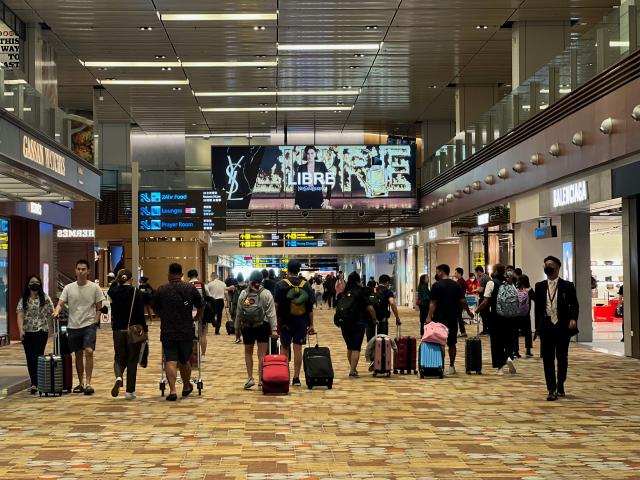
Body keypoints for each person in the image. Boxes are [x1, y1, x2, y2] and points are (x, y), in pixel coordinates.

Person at [53, 259, 105, 395]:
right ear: (75, 271)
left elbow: (100, 307)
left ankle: (89, 383)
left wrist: (96, 320)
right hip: (73, 325)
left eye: (83, 269)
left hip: (89, 324)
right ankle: (81, 383)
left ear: (88, 271)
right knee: (78, 354)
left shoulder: (94, 288)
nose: (81, 271)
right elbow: (60, 303)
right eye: (78, 269)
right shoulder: (68, 288)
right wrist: (56, 311)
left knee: (89, 351)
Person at [154, 263, 203, 401]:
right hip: (185, 329)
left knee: (170, 359)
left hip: (167, 330)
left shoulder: (162, 289)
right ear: (181, 275)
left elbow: (155, 309)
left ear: (169, 274)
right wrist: (196, 316)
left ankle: (172, 390)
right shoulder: (189, 288)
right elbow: (200, 305)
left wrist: (163, 316)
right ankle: (186, 386)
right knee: (184, 359)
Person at [533, 256, 579, 401]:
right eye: (546, 265)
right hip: (547, 325)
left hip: (562, 326)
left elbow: (574, 304)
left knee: (562, 357)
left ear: (558, 268)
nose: (548, 267)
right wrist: (537, 329)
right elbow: (538, 309)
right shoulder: (540, 286)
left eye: (551, 265)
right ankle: (551, 388)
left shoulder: (567, 285)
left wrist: (573, 318)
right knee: (547, 358)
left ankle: (561, 383)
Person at [274, 259, 316, 387]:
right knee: (298, 348)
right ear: (299, 270)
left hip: (285, 320)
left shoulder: (281, 284)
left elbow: (276, 305)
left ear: (288, 269)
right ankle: (296, 378)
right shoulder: (306, 285)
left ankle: (283, 375)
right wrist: (311, 325)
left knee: (285, 347)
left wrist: (275, 324)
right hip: (301, 321)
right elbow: (310, 308)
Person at [426, 265, 473, 375]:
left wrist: (429, 316)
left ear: (442, 272)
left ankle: (439, 365)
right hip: (453, 317)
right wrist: (469, 311)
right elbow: (463, 301)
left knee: (438, 342)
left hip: (439, 318)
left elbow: (433, 303)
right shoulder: (456, 285)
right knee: (452, 343)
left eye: (437, 271)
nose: (436, 273)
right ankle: (451, 366)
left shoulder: (436, 286)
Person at [235, 270, 278, 389]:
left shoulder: (244, 294)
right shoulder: (266, 293)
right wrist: (274, 329)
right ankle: (261, 380)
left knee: (248, 352)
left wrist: (237, 330)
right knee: (262, 354)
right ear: (262, 280)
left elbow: (239, 313)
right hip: (262, 326)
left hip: (247, 326)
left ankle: (250, 378)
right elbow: (271, 313)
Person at [107, 269, 147, 400]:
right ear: (131, 279)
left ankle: (119, 377)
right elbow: (140, 314)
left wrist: (116, 280)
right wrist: (145, 329)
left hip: (117, 330)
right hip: (133, 330)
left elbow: (111, 289)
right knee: (132, 360)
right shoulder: (136, 292)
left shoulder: (113, 292)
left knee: (119, 357)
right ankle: (130, 392)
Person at [474, 264, 517, 376]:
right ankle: (508, 357)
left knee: (497, 341)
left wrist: (477, 310)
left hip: (496, 316)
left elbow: (485, 301)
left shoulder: (491, 283)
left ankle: (500, 367)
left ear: (496, 271)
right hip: (510, 316)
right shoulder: (509, 283)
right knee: (508, 340)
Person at [336, 272, 378, 377]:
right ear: (357, 281)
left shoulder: (344, 293)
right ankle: (352, 370)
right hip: (357, 322)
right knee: (356, 347)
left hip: (344, 322)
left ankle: (353, 368)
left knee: (350, 347)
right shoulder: (360, 292)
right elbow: (370, 308)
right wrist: (374, 319)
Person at [17, 274, 54, 394]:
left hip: (41, 331)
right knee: (30, 358)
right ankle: (34, 382)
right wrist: (21, 330)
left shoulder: (45, 298)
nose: (35, 284)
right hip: (27, 332)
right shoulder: (24, 299)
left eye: (37, 282)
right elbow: (20, 315)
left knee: (38, 356)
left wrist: (50, 329)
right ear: (28, 285)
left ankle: (37, 382)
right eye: (32, 282)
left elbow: (51, 313)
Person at [366, 274, 401, 341]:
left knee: (370, 343)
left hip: (370, 320)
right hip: (382, 320)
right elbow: (392, 303)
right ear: (387, 282)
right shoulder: (388, 292)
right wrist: (397, 317)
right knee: (382, 342)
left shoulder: (371, 290)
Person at [188, 269, 212, 362]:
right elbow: (208, 296)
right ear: (197, 276)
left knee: (190, 334)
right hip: (202, 312)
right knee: (203, 334)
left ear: (188, 276)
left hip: (189, 313)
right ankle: (203, 355)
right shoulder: (202, 285)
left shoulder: (186, 285)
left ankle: (192, 354)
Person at [513, 274, 534, 359]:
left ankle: (516, 351)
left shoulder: (515, 289)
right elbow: (536, 299)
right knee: (528, 333)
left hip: (516, 315)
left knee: (515, 333)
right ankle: (528, 351)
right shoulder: (529, 290)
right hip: (526, 315)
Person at [473, 266, 491, 335]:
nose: (476, 274)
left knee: (484, 314)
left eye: (476, 272)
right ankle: (487, 329)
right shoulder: (487, 277)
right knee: (486, 314)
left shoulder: (483, 278)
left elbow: (480, 290)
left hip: (484, 298)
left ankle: (485, 330)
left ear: (479, 271)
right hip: (488, 298)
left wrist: (474, 290)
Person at [453, 268, 469, 338]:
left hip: (458, 302)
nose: (455, 274)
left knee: (458, 318)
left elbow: (458, 294)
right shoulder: (463, 281)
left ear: (459, 273)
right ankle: (463, 332)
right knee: (459, 317)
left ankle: (462, 332)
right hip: (461, 301)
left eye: (456, 273)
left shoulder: (459, 282)